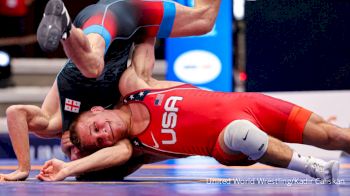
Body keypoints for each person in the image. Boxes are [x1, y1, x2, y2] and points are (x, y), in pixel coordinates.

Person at [37, 37, 344, 182]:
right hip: (226, 144)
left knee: (331, 134)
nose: (104, 135)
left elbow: (146, 30)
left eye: (97, 129)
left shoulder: (135, 86)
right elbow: (106, 159)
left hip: (249, 105)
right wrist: (67, 168)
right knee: (241, 134)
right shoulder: (133, 148)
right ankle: (313, 167)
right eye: (100, 141)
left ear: (94, 111)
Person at [0, 0, 221, 181]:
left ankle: (66, 27)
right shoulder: (123, 112)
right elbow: (144, 52)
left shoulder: (56, 122)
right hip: (138, 16)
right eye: (99, 142)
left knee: (93, 65)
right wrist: (149, 26)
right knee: (205, 19)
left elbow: (16, 112)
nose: (102, 134)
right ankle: (68, 30)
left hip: (100, 21)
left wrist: (23, 167)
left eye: (71, 155)